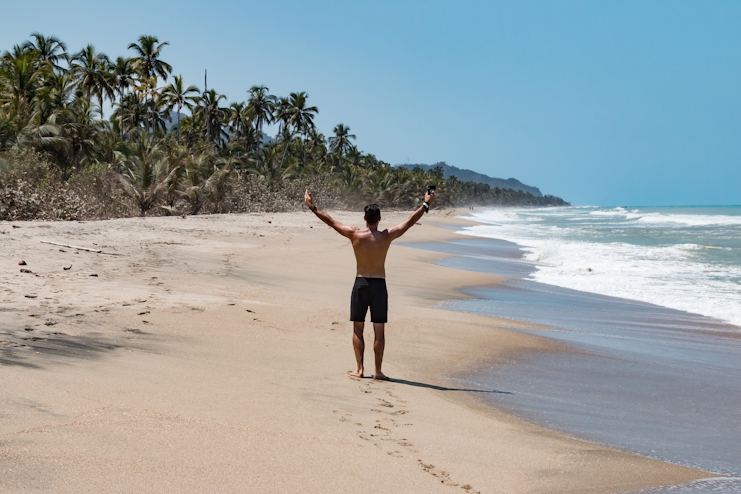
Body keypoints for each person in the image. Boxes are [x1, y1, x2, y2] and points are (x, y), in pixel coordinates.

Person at [304, 188, 436, 380]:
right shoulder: (386, 236)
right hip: (379, 287)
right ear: (379, 219)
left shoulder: (355, 235)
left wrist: (312, 207)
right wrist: (426, 204)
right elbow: (409, 222)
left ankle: (359, 370)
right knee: (379, 330)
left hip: (361, 284)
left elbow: (331, 222)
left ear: (364, 218)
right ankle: (378, 371)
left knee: (358, 328)